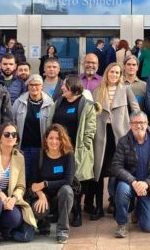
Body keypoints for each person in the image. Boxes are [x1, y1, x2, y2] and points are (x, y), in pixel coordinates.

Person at [91, 62, 140, 220]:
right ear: (107, 73)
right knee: (98, 172)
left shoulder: (126, 89)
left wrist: (132, 128)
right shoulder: (97, 91)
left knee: (118, 171)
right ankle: (98, 207)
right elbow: (91, 114)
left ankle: (118, 205)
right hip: (101, 136)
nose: (114, 75)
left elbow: (136, 110)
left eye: (118, 73)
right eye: (112, 72)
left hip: (120, 136)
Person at [48, 75, 98, 227]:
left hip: (77, 150)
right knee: (59, 178)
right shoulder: (59, 102)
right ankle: (59, 210)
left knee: (76, 182)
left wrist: (83, 146)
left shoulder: (87, 105)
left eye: (65, 85)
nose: (62, 87)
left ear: (73, 87)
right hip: (58, 150)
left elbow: (91, 129)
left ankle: (76, 211)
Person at [111, 111, 150, 237]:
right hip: (130, 183)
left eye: (141, 122)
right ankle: (122, 224)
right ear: (130, 124)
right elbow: (116, 166)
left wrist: (147, 183)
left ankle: (138, 209)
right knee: (122, 189)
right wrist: (133, 182)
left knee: (148, 227)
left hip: (149, 187)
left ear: (147, 123)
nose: (138, 126)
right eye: (135, 123)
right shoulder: (123, 141)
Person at [29, 124, 76, 244]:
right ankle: (43, 222)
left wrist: (45, 184)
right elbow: (33, 183)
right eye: (51, 138)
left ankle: (62, 230)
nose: (54, 141)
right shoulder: (39, 155)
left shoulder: (68, 155)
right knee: (38, 209)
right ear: (46, 139)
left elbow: (68, 181)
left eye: (58, 138)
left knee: (66, 190)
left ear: (62, 140)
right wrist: (41, 195)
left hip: (61, 195)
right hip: (44, 196)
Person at [11, 74, 54, 185]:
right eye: (31, 85)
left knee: (38, 175)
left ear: (42, 86)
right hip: (23, 147)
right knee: (23, 175)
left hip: (41, 147)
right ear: (28, 86)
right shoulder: (19, 102)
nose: (34, 87)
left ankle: (36, 198)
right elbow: (12, 122)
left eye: (37, 85)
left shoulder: (49, 103)